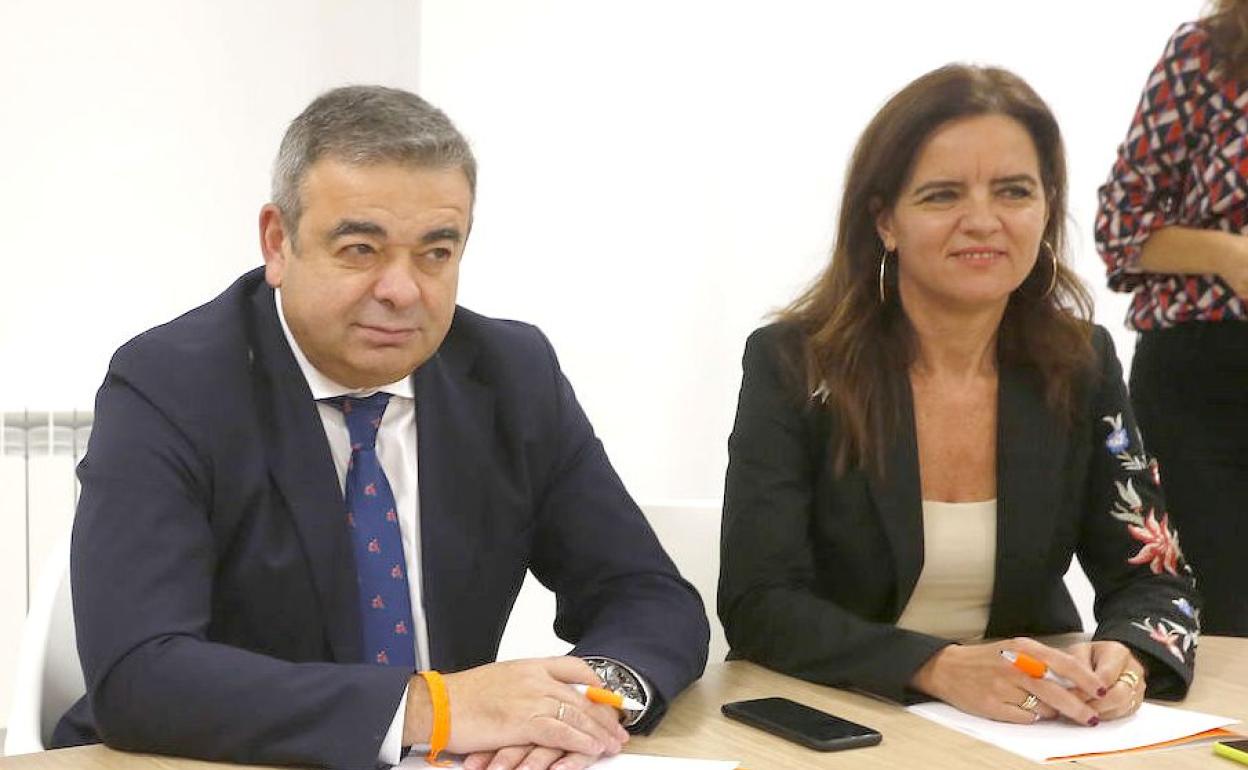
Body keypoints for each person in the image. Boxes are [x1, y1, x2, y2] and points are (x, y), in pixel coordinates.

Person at [54, 85, 708, 770]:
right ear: (279, 243)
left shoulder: (512, 375)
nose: (402, 290)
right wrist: (440, 708)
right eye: (362, 249)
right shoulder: (171, 385)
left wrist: (582, 708)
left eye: (435, 253)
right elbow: (140, 675)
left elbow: (647, 594)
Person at [719, 65, 1201, 728]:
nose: (983, 221)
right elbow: (758, 602)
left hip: (1032, 723)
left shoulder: (1080, 361)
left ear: (1046, 207)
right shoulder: (793, 365)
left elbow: (1151, 577)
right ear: (884, 219)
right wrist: (936, 667)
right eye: (943, 196)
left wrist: (1129, 654)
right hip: (841, 711)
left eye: (1013, 191)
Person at [1095, 3, 1248, 636]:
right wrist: (1230, 254)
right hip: (1205, 377)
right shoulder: (1210, 52)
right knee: (1224, 621)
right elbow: (1120, 227)